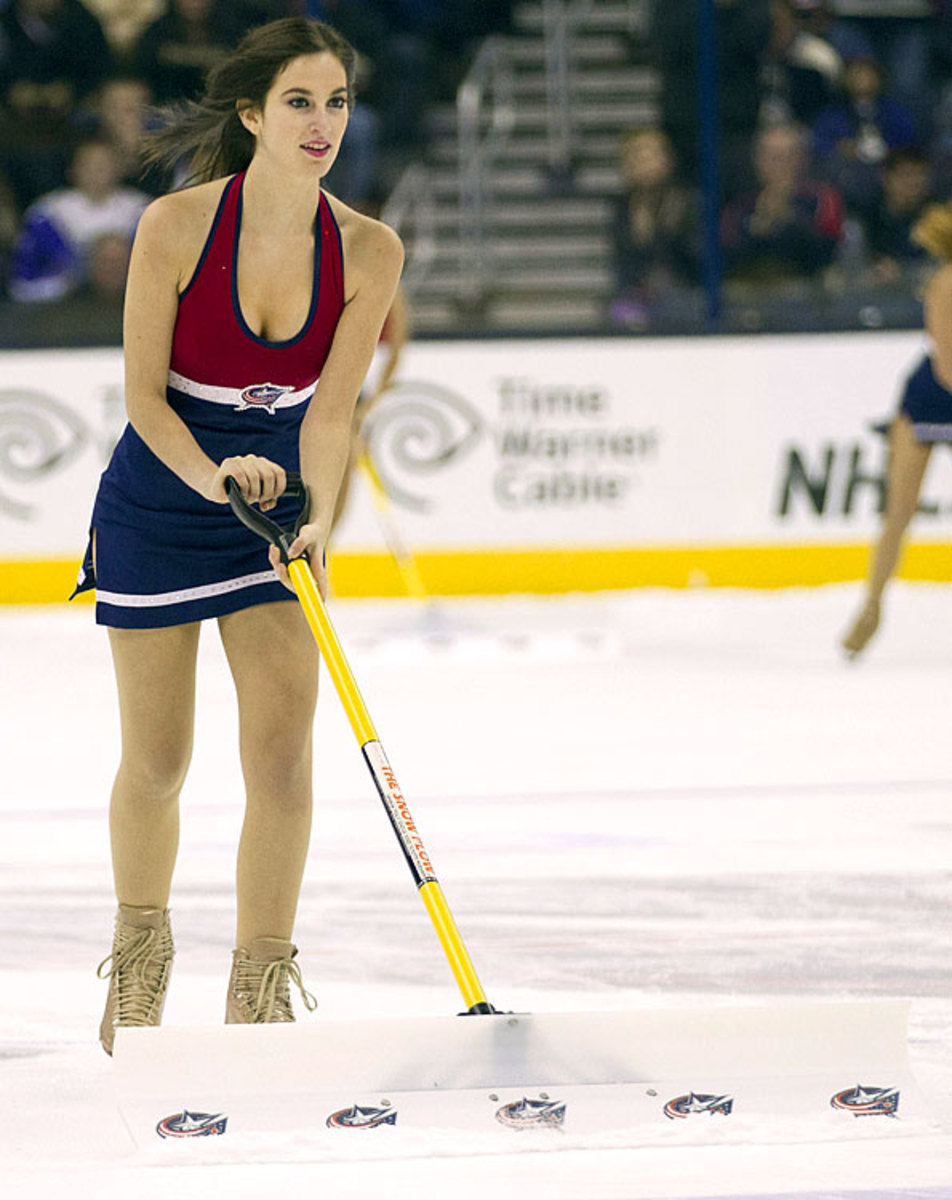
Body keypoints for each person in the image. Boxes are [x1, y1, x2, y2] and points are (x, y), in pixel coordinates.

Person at [71, 17, 403, 1054]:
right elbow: (145, 401)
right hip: (165, 504)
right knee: (159, 763)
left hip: (273, 513)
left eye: (337, 102)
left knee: (285, 763)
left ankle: (256, 1002)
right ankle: (137, 976)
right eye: (299, 102)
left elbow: (334, 412)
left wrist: (316, 527)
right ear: (253, 114)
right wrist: (218, 478)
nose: (322, 124)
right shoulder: (174, 225)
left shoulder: (368, 248)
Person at [841, 202, 952, 657]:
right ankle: (871, 605)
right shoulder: (946, 284)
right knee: (899, 512)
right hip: (931, 396)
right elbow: (947, 364)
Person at [8, 137, 148, 302]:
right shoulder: (47, 212)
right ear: (72, 169)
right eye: (88, 165)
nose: (96, 172)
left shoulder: (143, 210)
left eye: (103, 165)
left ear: (119, 168)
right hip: (61, 311)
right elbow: (21, 281)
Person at [329, 281, 410, 535]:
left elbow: (396, 351)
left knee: (345, 460)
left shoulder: (390, 286)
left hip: (357, 393)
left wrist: (367, 409)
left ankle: (325, 543)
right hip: (324, 388)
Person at [720, 122, 843, 286]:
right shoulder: (739, 206)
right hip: (751, 293)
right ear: (758, 161)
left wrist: (790, 219)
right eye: (772, 157)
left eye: (789, 156)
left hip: (807, 293)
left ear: (803, 160)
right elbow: (723, 257)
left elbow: (830, 253)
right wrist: (755, 231)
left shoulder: (822, 198)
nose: (781, 165)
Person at [606, 127, 700, 331]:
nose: (643, 163)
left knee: (674, 304)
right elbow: (622, 262)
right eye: (635, 157)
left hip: (682, 293)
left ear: (667, 160)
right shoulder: (622, 207)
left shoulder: (686, 202)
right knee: (618, 311)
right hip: (637, 295)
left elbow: (694, 258)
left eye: (649, 155)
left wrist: (666, 232)